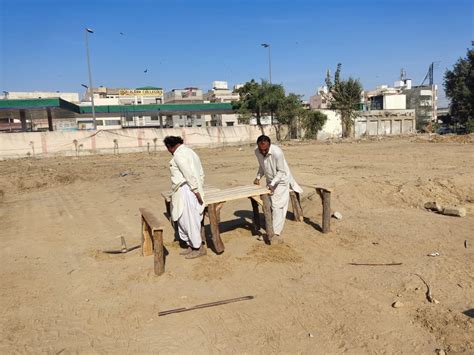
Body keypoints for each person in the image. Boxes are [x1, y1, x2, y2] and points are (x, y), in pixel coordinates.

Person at [253, 135, 303, 241]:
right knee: (269, 204)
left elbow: (281, 171)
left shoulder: (277, 152)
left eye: (265, 150)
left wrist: (273, 184)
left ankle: (274, 232)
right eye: (261, 150)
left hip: (281, 180)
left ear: (270, 145)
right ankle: (271, 225)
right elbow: (262, 166)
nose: (263, 152)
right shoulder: (257, 151)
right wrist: (258, 177)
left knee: (277, 206)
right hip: (270, 180)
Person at [164, 136, 206, 259]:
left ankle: (198, 248)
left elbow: (188, 173)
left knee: (189, 220)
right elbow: (201, 172)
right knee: (184, 219)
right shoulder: (190, 152)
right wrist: (198, 187)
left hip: (187, 189)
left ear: (169, 147)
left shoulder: (178, 155)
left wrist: (195, 190)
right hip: (191, 188)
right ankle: (191, 245)